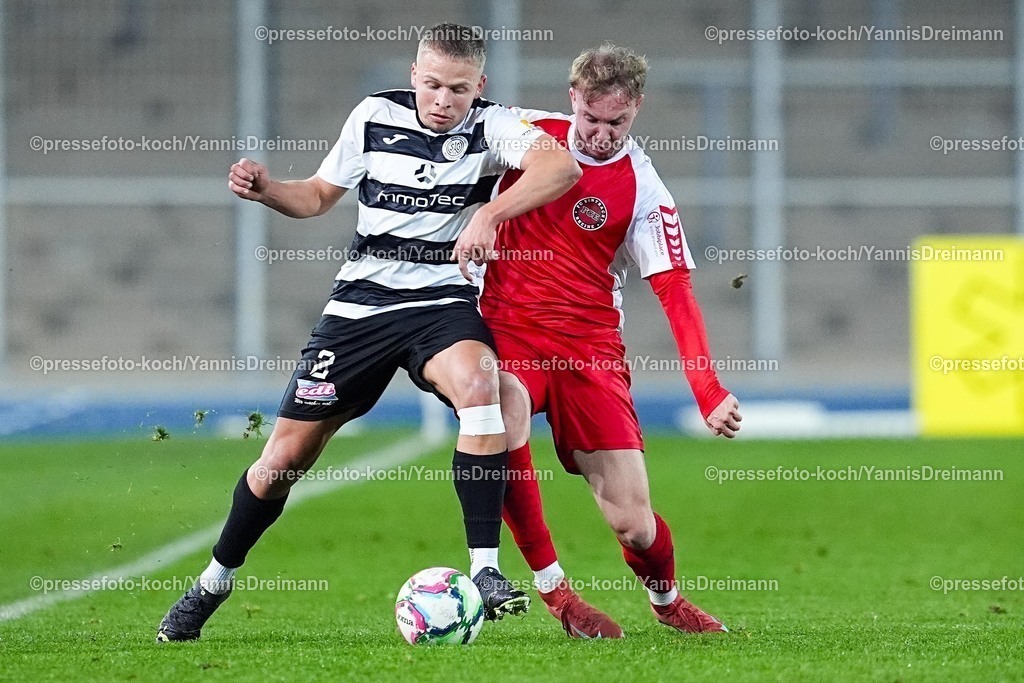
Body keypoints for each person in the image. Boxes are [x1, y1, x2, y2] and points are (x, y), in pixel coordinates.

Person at [156, 22, 581, 642]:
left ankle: (485, 570)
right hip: (361, 308)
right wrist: (269, 189)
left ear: (479, 86)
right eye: (432, 85)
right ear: (414, 77)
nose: (443, 101)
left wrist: (489, 211)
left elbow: (560, 166)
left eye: (458, 90)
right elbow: (317, 197)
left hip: (442, 301)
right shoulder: (373, 116)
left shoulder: (492, 126)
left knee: (483, 388)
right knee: (284, 460)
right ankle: (213, 581)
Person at [479, 44, 742, 638]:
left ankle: (668, 600)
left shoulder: (644, 189)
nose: (599, 134)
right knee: (502, 411)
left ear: (637, 111)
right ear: (572, 98)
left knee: (635, 525)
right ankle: (557, 593)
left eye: (614, 123)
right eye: (589, 119)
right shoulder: (524, 135)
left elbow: (676, 294)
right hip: (509, 329)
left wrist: (708, 391)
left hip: (590, 349)